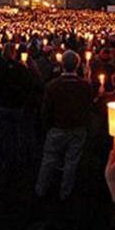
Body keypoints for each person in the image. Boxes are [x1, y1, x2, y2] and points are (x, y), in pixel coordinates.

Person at [35, 50, 93, 201]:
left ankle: (41, 189)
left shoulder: (52, 86)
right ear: (77, 65)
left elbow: (46, 110)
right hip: (77, 129)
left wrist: (48, 126)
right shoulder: (84, 86)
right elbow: (88, 108)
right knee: (71, 162)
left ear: (62, 64)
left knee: (49, 159)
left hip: (57, 128)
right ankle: (65, 192)